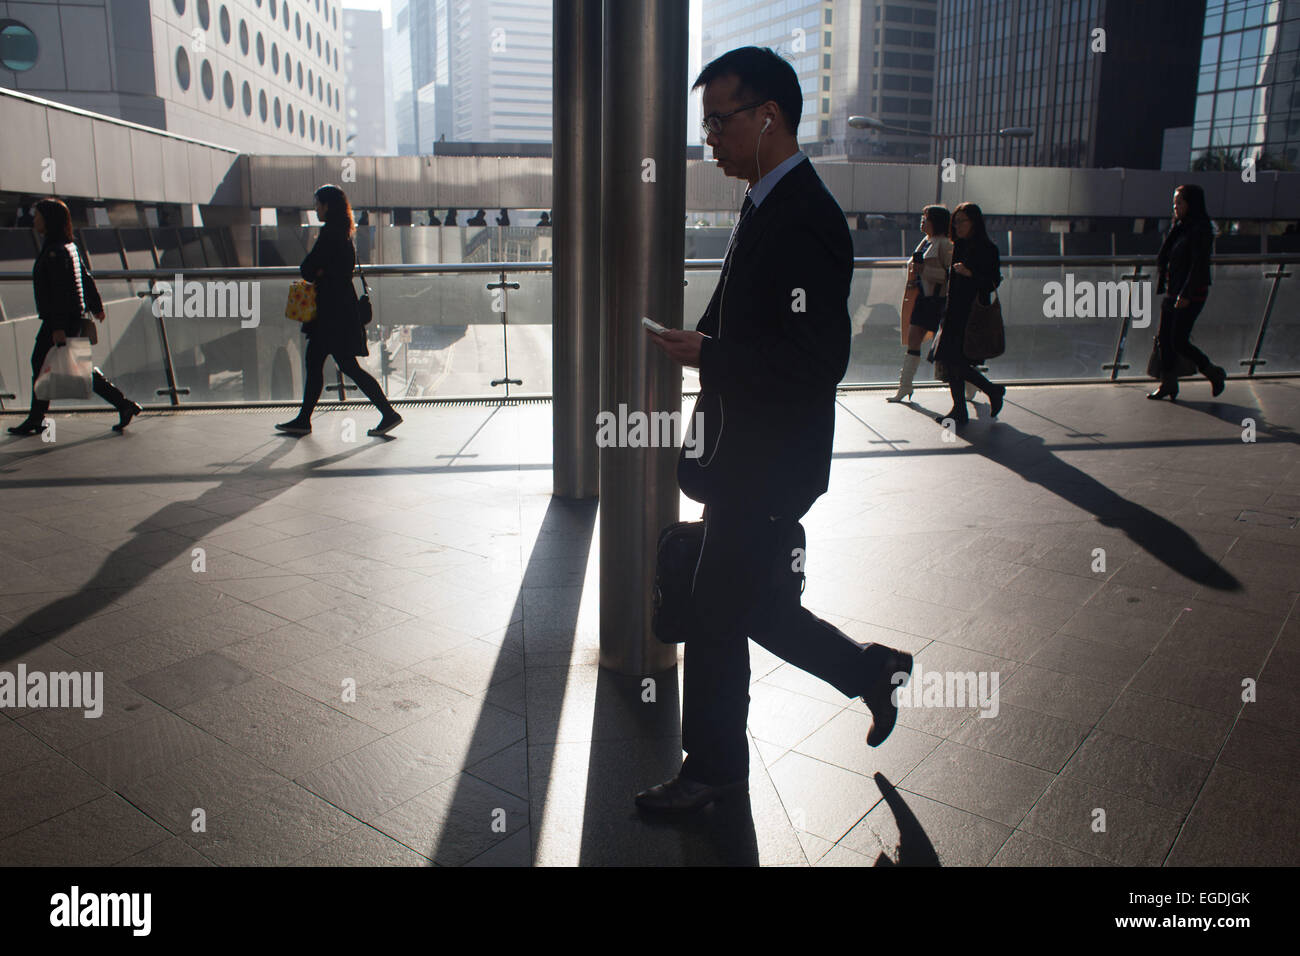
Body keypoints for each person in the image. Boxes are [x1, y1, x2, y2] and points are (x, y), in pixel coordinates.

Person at [641, 46, 914, 815]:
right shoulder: (766, 199)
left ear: (768, 117)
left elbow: (818, 358)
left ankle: (713, 771)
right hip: (748, 456)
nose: (712, 140)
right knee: (749, 605)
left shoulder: (806, 217)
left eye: (720, 122)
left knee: (715, 608)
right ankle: (872, 672)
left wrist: (711, 354)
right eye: (707, 126)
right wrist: (702, 340)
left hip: (766, 463)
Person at [8, 198, 141, 436]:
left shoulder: (55, 251)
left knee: (47, 364)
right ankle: (122, 404)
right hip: (68, 318)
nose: (34, 220)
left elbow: (60, 290)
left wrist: (57, 326)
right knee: (58, 365)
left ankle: (37, 418)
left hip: (60, 320)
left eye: (38, 216)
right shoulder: (66, 245)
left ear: (49, 220)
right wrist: (96, 305)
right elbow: (84, 277)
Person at [276, 184, 401, 436]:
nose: (316, 210)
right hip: (340, 311)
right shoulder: (344, 233)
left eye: (318, 205)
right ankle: (305, 419)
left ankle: (387, 413)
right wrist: (320, 270)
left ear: (327, 206)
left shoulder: (329, 233)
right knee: (332, 363)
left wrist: (319, 270)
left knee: (333, 364)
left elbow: (307, 269)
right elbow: (320, 269)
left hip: (329, 314)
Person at [888, 204, 975, 406]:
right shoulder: (926, 242)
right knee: (913, 340)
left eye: (925, 217)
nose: (922, 221)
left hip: (938, 301)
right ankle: (905, 386)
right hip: (923, 298)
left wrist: (924, 271)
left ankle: (971, 381)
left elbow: (950, 275)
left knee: (947, 347)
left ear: (935, 221)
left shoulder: (945, 244)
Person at [931, 201, 1006, 426]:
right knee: (949, 359)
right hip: (954, 311)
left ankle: (989, 391)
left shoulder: (987, 248)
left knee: (956, 361)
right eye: (956, 221)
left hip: (971, 314)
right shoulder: (960, 246)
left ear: (974, 222)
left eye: (962, 221)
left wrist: (970, 273)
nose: (957, 225)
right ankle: (961, 408)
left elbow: (992, 282)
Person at [1148, 184, 1226, 400]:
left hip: (1191, 293)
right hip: (1173, 291)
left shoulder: (1200, 230)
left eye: (1179, 202)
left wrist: (1186, 294)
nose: (1175, 207)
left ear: (1191, 204)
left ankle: (1212, 371)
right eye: (1174, 203)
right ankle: (1169, 383)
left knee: (1179, 340)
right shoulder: (1179, 228)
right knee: (1165, 339)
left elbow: (1198, 265)